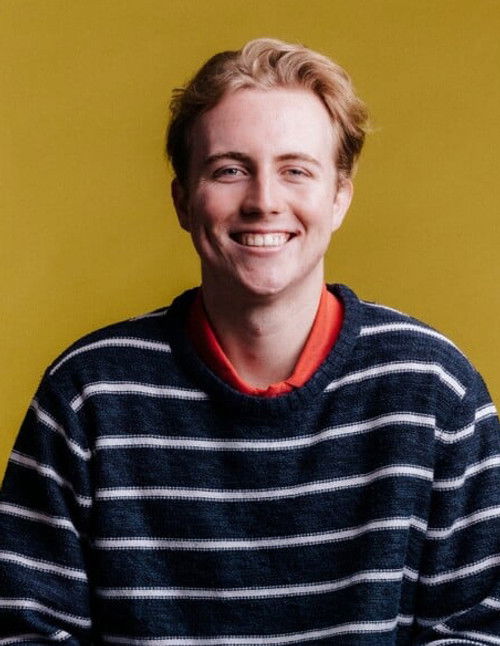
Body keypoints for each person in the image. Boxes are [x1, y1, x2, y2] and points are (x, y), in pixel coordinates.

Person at [0, 38, 498, 645]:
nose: (264, 202)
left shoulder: (436, 392)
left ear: (339, 197)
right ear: (183, 201)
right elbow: (24, 631)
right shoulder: (87, 396)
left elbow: (479, 630)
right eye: (229, 170)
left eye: (296, 170)